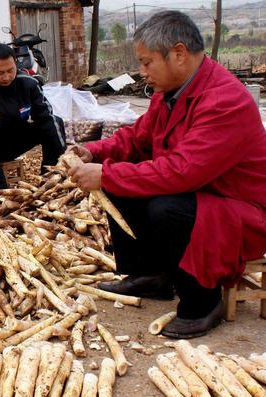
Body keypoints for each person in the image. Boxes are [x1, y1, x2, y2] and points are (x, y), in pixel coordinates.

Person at [68, 10, 266, 338]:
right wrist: (96, 152)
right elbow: (138, 136)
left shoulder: (224, 101)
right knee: (120, 183)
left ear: (178, 54)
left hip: (241, 208)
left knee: (164, 204)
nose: (142, 71)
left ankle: (203, 300)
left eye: (147, 63)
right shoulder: (171, 94)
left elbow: (182, 173)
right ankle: (153, 275)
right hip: (201, 191)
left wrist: (107, 174)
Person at [0, 43, 66, 192]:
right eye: (0, 73)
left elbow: (46, 117)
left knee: (55, 122)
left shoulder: (28, 83)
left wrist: (63, 158)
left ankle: (50, 176)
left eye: (10, 70)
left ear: (16, 65)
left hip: (15, 139)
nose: (6, 77)